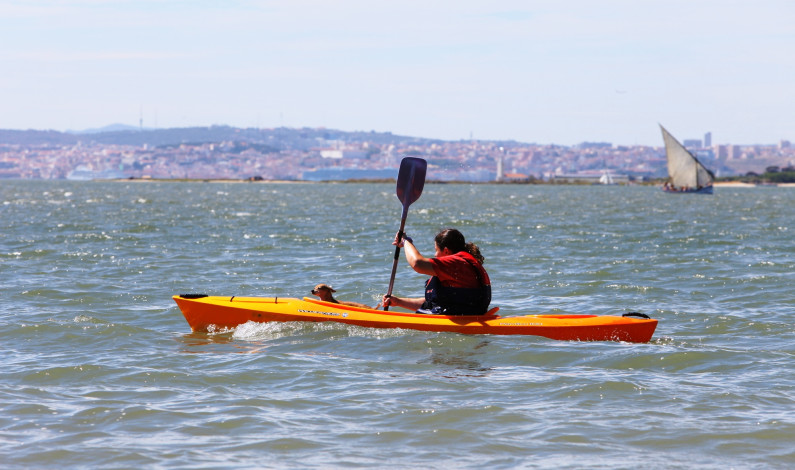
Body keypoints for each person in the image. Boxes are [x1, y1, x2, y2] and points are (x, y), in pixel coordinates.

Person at [382, 228, 491, 315]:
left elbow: (417, 263)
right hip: (464, 316)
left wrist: (405, 241)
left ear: (446, 251)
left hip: (462, 320)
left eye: (436, 250)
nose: (435, 255)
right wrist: (398, 302)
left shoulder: (456, 264)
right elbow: (433, 304)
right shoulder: (460, 264)